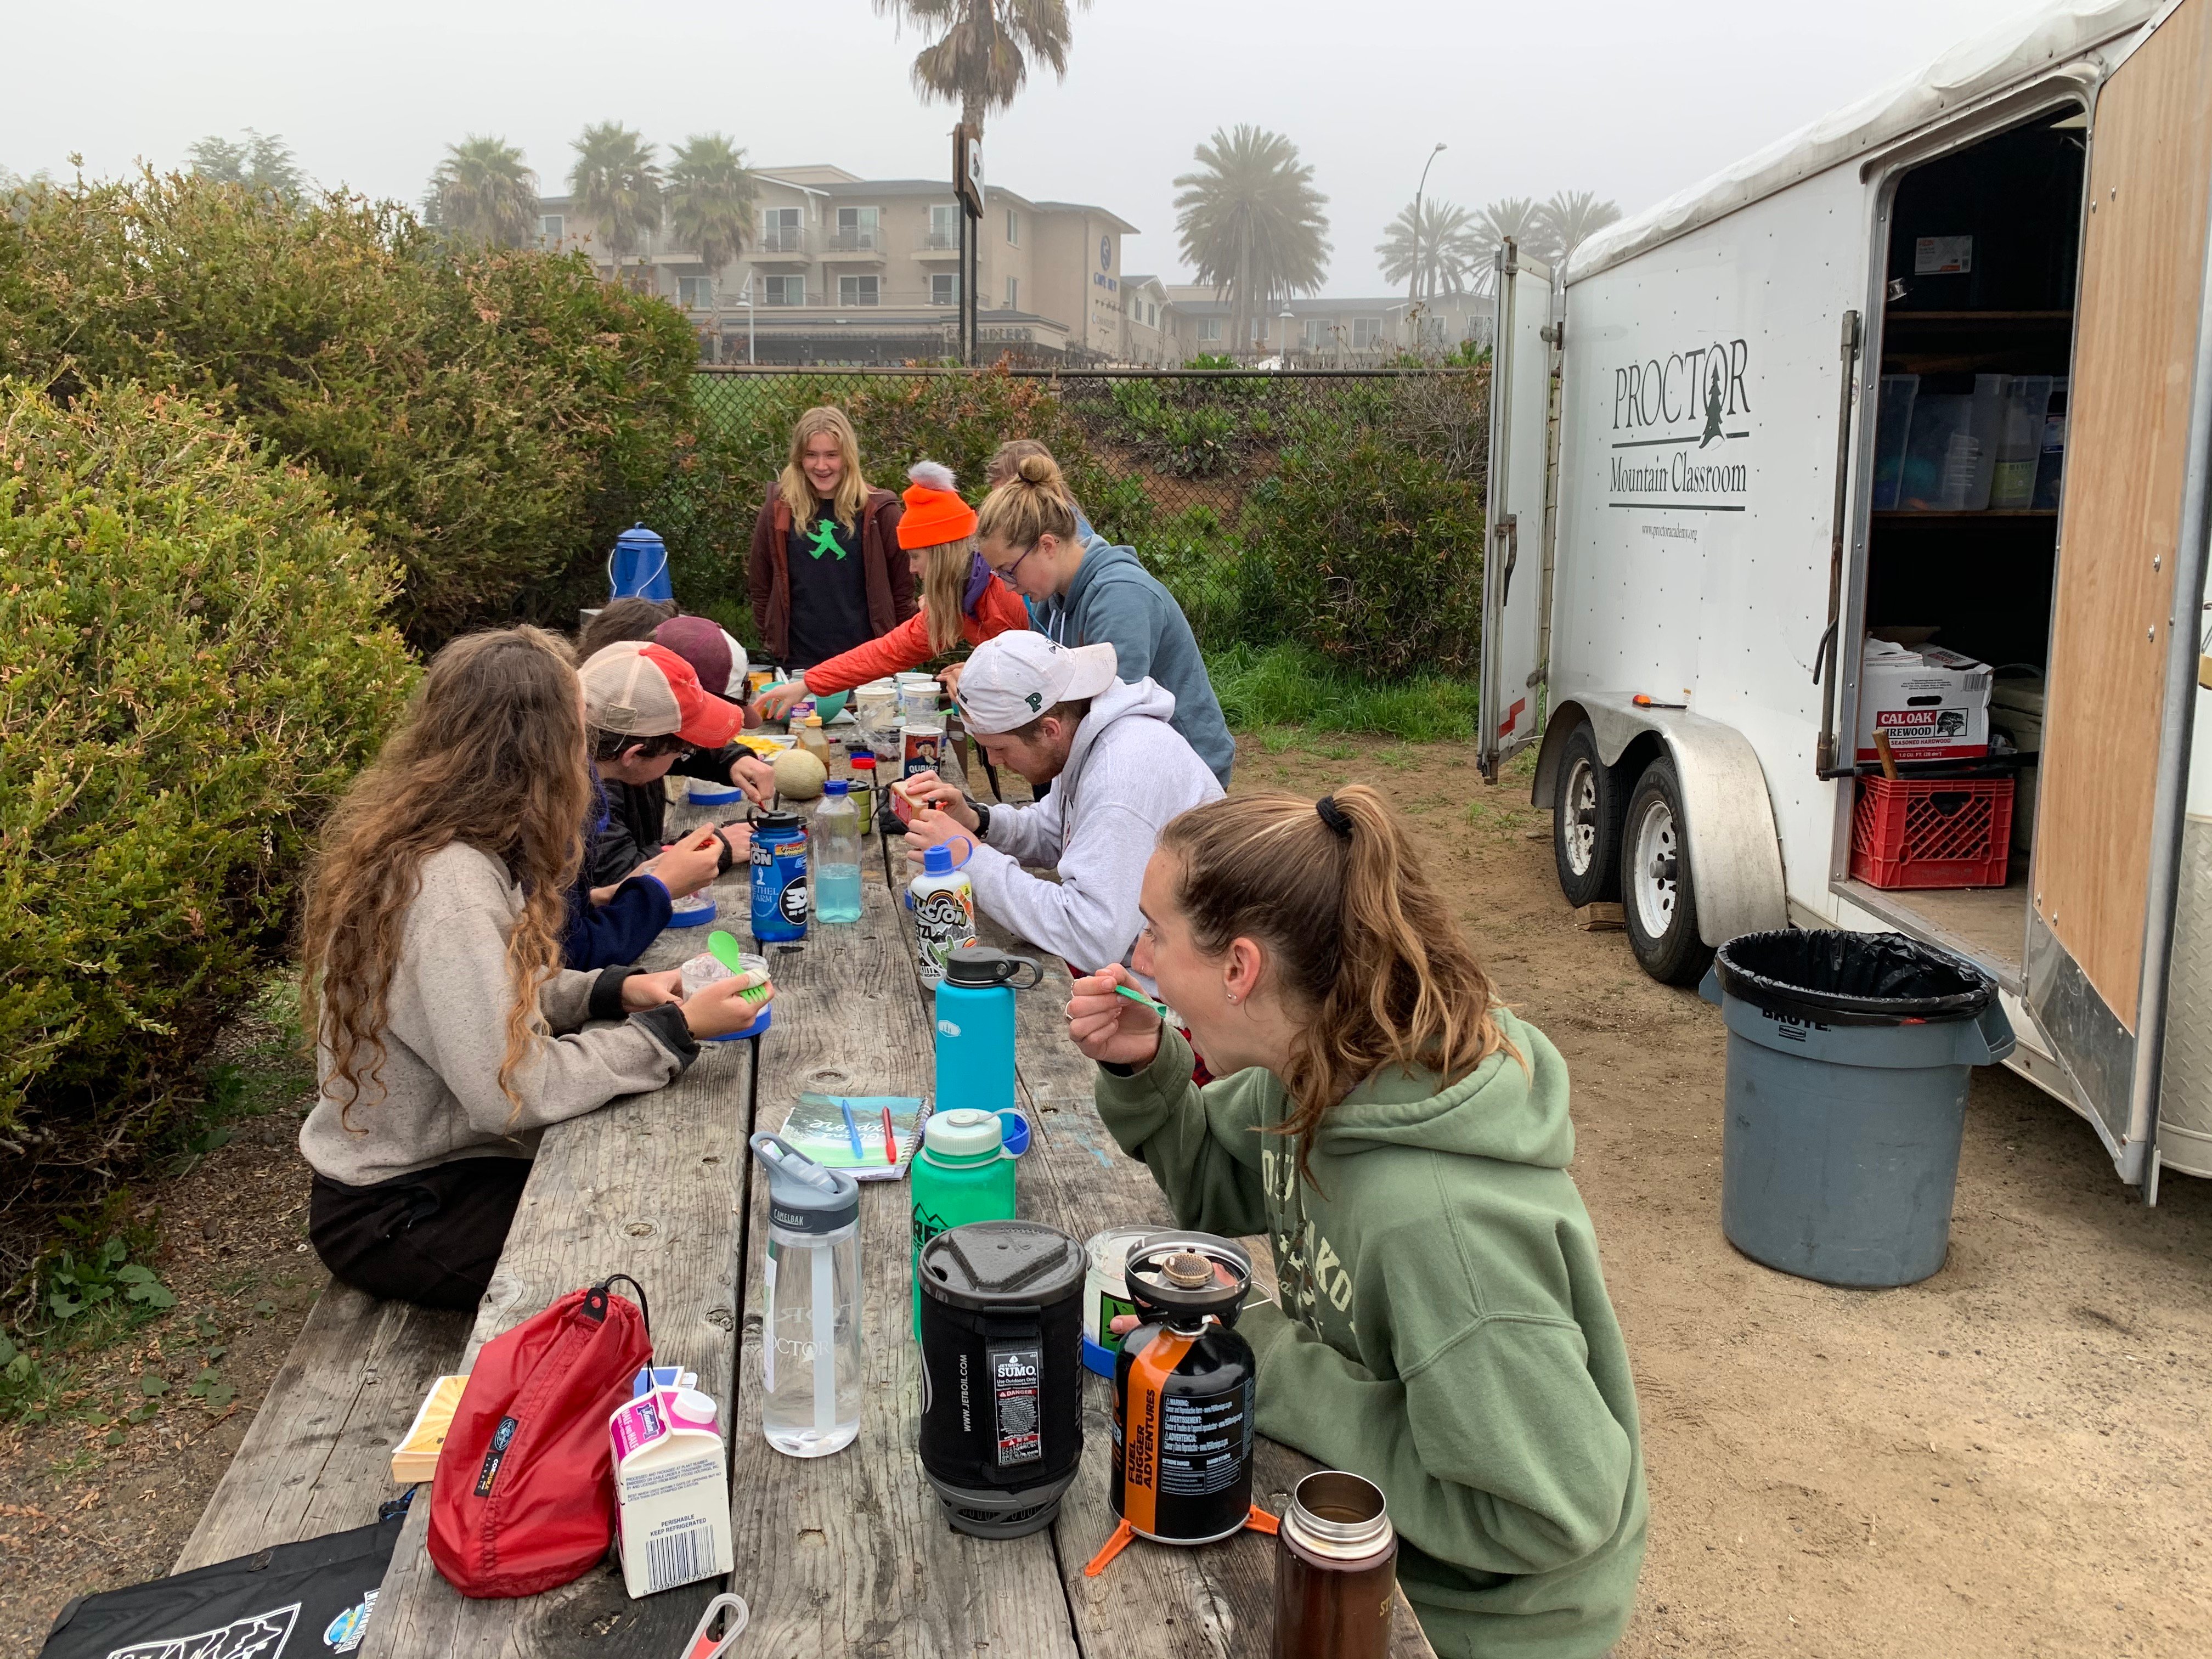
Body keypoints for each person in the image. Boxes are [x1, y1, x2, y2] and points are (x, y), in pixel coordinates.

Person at [1064, 787, 1647, 1658]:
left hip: (1472, 1622)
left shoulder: (1441, 1228)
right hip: (1353, 1535)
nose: (1139, 957)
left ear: (1240, 970)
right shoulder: (1314, 1065)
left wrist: (1273, 1366)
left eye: (1155, 932)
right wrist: (1151, 1066)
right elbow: (1221, 1186)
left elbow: (1550, 1511)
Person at [297, 627, 772, 1311]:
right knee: (673, 1260)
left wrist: (613, 990)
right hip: (401, 1208)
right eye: (579, 735)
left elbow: (489, 987)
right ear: (544, 751)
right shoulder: (449, 885)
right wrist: (669, 1033)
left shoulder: (458, 845)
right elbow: (509, 1091)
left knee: (670, 1187)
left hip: (457, 1167)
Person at [901, 631, 1221, 981]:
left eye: (1000, 748)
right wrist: (977, 822)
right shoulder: (1085, 735)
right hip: (1137, 961)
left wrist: (968, 855)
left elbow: (1090, 937)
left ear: (1049, 730)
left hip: (1174, 991)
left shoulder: (1121, 775)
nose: (992, 761)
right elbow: (1056, 831)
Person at [976, 452, 1234, 788]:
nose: (1008, 586)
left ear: (1048, 546)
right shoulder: (1048, 601)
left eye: (1009, 571)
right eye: (998, 574)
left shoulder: (1121, 597)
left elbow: (1110, 713)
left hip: (1186, 767)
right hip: (1128, 758)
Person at [753, 461, 1032, 719]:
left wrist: (978, 674)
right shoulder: (957, 601)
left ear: (940, 554)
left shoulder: (1011, 593)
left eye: (915, 557)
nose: (912, 570)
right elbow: (887, 652)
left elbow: (1045, 668)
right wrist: (808, 684)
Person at [568, 639, 774, 969]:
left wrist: (731, 759)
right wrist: (662, 886)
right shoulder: (572, 810)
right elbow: (572, 951)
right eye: (681, 752)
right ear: (633, 756)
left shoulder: (576, 757)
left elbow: (565, 911)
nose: (683, 757)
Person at [747, 405, 913, 677]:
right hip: (798, 664)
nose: (821, 466)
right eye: (811, 455)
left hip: (868, 663)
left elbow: (902, 590)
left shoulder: (880, 511)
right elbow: (761, 583)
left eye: (832, 456)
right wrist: (771, 635)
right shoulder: (779, 508)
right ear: (799, 458)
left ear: (847, 457)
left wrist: (897, 650)